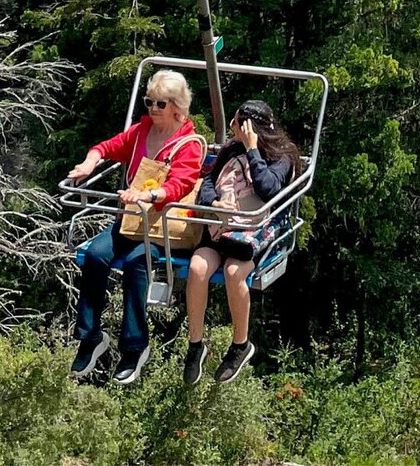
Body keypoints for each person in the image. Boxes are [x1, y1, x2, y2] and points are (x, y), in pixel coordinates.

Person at [64, 70, 207, 385]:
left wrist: (147, 195)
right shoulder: (142, 131)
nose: (153, 109)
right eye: (149, 102)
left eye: (160, 103)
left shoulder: (189, 143)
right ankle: (90, 337)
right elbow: (107, 147)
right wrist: (90, 162)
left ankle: (134, 345)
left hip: (159, 226)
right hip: (129, 221)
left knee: (135, 262)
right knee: (95, 255)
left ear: (176, 107)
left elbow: (181, 183)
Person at [183, 99, 301, 385]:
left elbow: (268, 188)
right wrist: (216, 201)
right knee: (198, 268)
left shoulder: (281, 156)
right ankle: (195, 345)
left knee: (235, 272)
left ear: (249, 128)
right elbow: (208, 184)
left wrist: (252, 150)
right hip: (224, 225)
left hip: (255, 227)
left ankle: (240, 345)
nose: (232, 128)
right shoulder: (230, 150)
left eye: (236, 124)